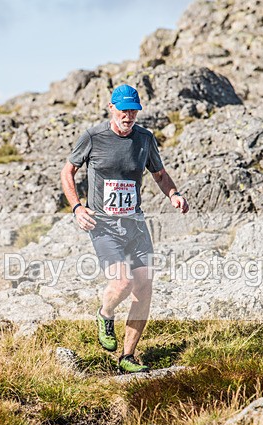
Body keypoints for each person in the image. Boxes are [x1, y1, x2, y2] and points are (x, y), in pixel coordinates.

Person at [60, 84, 189, 373]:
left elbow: (159, 173)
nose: (128, 116)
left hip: (135, 225)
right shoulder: (93, 137)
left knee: (144, 287)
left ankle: (127, 358)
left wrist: (174, 194)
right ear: (112, 109)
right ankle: (105, 313)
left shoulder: (145, 139)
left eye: (133, 111)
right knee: (122, 282)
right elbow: (67, 171)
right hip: (103, 226)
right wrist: (77, 207)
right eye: (123, 111)